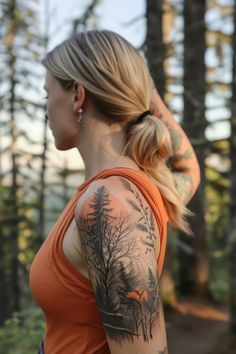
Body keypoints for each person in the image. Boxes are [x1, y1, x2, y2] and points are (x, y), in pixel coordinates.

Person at [30, 30, 200, 354]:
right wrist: (143, 89)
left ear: (78, 96)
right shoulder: (142, 185)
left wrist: (142, 87)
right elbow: (188, 170)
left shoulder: (109, 205)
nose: (46, 110)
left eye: (46, 94)